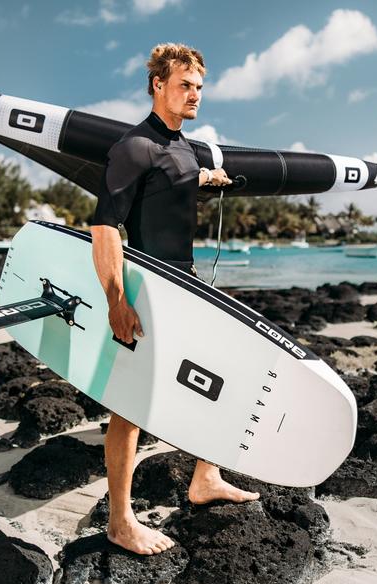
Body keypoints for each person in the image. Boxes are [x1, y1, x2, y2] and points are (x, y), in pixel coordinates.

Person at [89, 43, 259, 556]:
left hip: (186, 285)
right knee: (131, 405)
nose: (195, 95)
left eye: (199, 87)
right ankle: (120, 520)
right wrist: (117, 301)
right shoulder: (134, 146)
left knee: (218, 377)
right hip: (150, 289)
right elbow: (105, 227)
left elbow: (171, 180)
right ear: (157, 85)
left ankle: (205, 477)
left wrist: (205, 179)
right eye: (185, 85)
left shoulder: (184, 146)